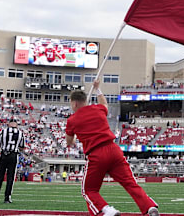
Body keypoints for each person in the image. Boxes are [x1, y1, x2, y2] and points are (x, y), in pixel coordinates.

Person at [65, 86, 159, 216]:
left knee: (89, 190)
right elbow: (104, 103)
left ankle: (107, 210)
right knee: (130, 183)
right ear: (85, 101)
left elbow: (69, 142)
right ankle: (149, 207)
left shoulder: (72, 120)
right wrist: (98, 89)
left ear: (74, 103)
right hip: (114, 149)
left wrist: (74, 140)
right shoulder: (98, 109)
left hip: (96, 153)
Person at [0, 118, 25, 204]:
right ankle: (7, 198)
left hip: (4, 154)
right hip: (13, 155)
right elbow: (22, 147)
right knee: (10, 178)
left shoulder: (3, 131)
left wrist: (4, 145)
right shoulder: (20, 133)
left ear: (9, 123)